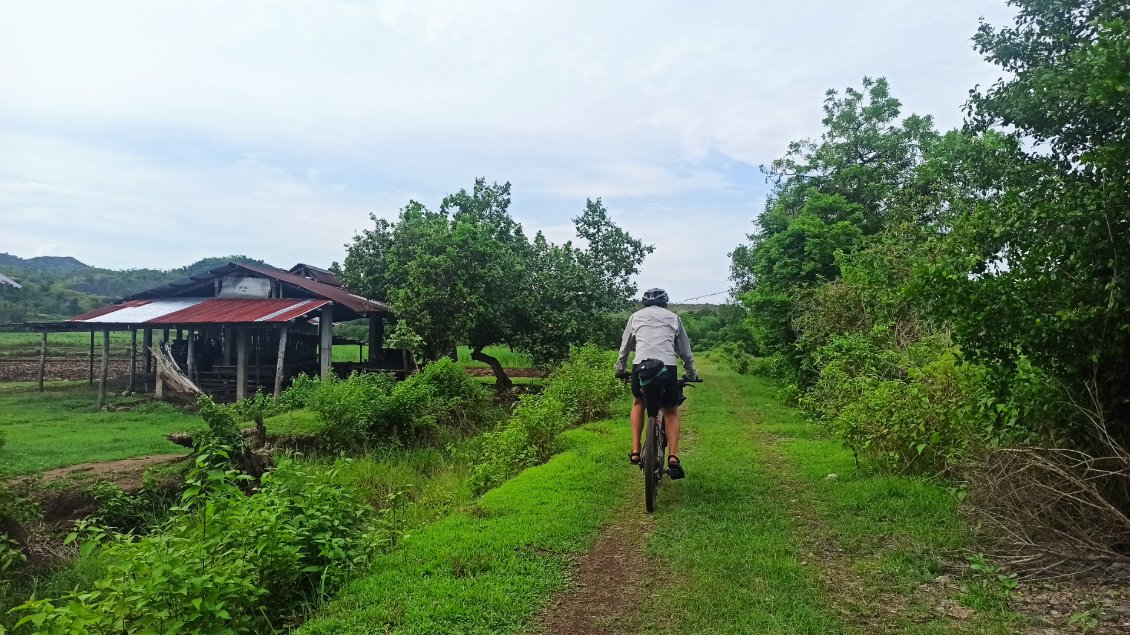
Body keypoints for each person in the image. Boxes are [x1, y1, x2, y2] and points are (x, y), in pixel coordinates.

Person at [615, 287, 699, 479]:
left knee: (639, 402)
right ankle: (674, 457)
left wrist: (620, 370)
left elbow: (625, 348)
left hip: (640, 368)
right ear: (665, 304)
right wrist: (691, 374)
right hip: (666, 368)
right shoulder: (673, 318)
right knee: (670, 410)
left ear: (644, 304)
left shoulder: (635, 317)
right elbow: (685, 352)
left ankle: (635, 450)